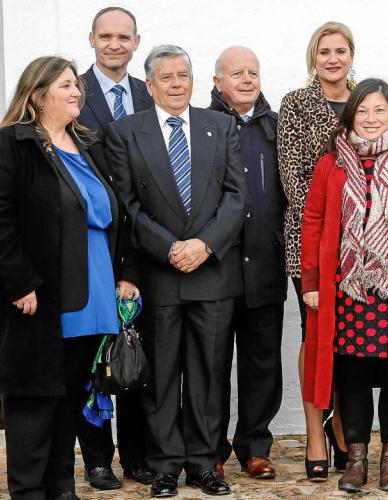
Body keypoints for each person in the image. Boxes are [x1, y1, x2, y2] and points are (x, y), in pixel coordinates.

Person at [106, 45, 248, 497]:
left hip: (212, 274)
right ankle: (165, 466)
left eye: (182, 75)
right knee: (162, 378)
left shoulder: (220, 126)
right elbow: (126, 204)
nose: (176, 84)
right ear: (149, 86)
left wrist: (204, 245)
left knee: (209, 375)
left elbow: (236, 196)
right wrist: (169, 248)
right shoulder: (125, 132)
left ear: (193, 79)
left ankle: (204, 464)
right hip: (159, 275)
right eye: (166, 77)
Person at [0, 56, 139, 500]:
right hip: (42, 294)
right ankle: (28, 491)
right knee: (35, 397)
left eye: (76, 84)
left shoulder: (88, 144)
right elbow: (2, 220)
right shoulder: (13, 143)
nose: (76, 91)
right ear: (38, 96)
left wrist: (125, 273)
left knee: (71, 395)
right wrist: (20, 282)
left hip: (93, 290)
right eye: (65, 85)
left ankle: (61, 486)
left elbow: (117, 215)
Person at [300, 78, 388, 493]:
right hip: (347, 288)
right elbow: (313, 220)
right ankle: (357, 460)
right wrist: (311, 280)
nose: (370, 118)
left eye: (380, 110)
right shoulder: (331, 164)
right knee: (353, 373)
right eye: (362, 110)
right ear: (350, 116)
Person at [76, 6, 155, 488]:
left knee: (138, 351)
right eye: (105, 36)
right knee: (95, 357)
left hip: (146, 243)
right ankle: (98, 460)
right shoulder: (73, 93)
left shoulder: (150, 93)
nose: (114, 44)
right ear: (91, 39)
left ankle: (138, 457)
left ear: (136, 42)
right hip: (94, 244)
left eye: (123, 37)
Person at [277, 20, 354, 480]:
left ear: (351, 55)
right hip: (310, 239)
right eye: (324, 51)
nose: (332, 58)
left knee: (349, 337)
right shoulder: (296, 103)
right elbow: (294, 179)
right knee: (316, 334)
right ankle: (314, 431)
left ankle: (342, 424)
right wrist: (337, 224)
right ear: (313, 57)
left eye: (340, 50)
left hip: (365, 245)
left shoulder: (368, 99)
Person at [210, 46, 287, 480]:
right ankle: (211, 448)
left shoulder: (276, 127)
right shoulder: (202, 125)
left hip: (265, 264)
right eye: (236, 73)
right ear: (217, 81)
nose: (246, 80)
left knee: (262, 364)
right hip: (215, 268)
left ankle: (255, 447)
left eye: (252, 73)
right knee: (212, 364)